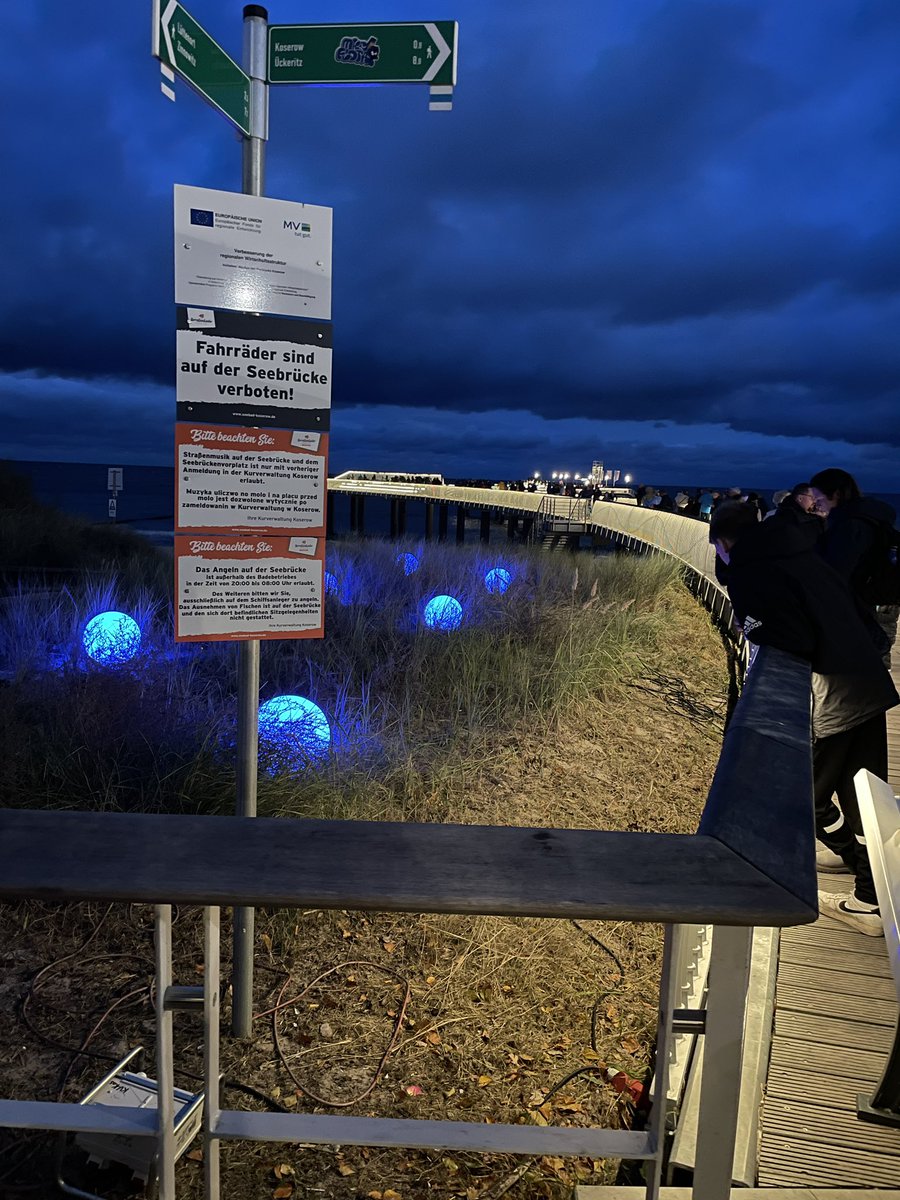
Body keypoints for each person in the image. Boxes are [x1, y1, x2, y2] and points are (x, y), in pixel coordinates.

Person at [709, 501, 898, 936]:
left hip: (832, 694)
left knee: (801, 799)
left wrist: (751, 625)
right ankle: (871, 894)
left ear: (722, 542)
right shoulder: (801, 551)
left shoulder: (749, 570)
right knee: (865, 798)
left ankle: (861, 878)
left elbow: (791, 636)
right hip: (864, 679)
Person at [809, 468, 898, 665]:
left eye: (819, 499)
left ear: (837, 495)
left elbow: (835, 575)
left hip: (856, 612)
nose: (816, 505)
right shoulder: (866, 519)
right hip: (871, 606)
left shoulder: (850, 527)